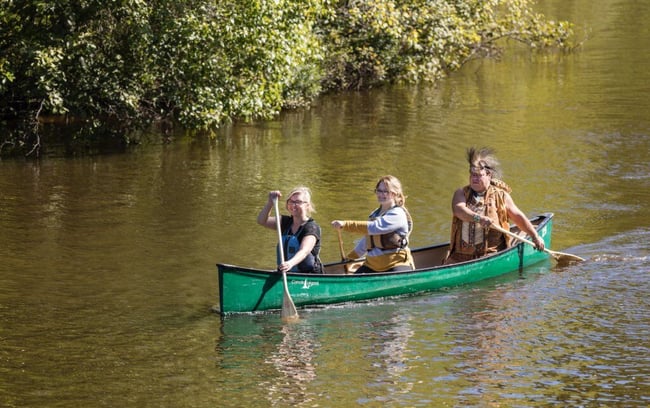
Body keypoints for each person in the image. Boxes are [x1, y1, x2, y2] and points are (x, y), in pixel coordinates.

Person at [443, 147, 545, 265]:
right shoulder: (461, 193)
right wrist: (479, 218)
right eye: (472, 175)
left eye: (478, 175)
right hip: (460, 257)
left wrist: (535, 236)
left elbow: (517, 217)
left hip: (491, 255)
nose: (474, 179)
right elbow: (459, 210)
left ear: (489, 175)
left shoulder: (501, 196)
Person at [331, 175, 414, 273]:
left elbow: (375, 227)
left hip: (395, 263)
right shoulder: (375, 214)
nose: (381, 194)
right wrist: (351, 257)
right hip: (373, 265)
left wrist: (345, 225)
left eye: (385, 191)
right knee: (354, 282)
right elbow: (367, 240)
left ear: (394, 194)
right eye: (379, 190)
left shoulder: (397, 213)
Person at [257, 187, 323, 274]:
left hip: (308, 276)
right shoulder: (285, 222)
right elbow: (261, 221)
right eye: (291, 201)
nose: (293, 205)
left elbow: (304, 251)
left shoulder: (311, 227)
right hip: (286, 272)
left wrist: (289, 264)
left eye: (298, 202)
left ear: (307, 205)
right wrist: (270, 203)